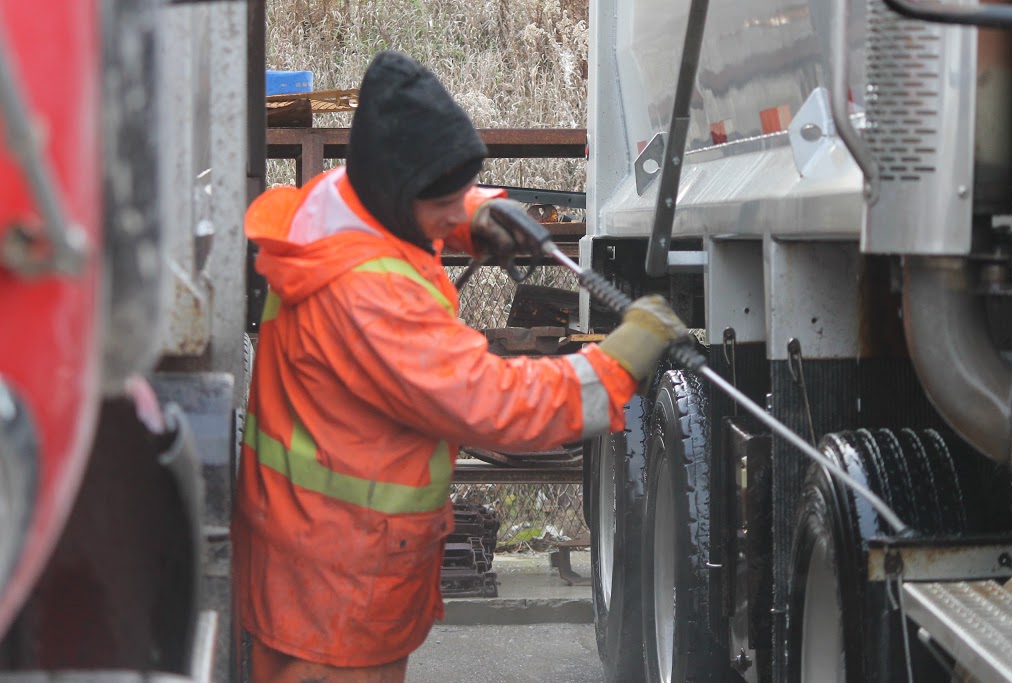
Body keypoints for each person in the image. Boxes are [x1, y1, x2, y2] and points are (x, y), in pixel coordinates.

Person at [231, 50, 690, 683]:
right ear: (398, 194)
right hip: (340, 589)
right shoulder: (372, 298)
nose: (454, 214)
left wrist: (478, 213)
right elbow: (497, 405)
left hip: (306, 559)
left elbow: (406, 213)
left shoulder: (335, 204)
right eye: (444, 203)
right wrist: (617, 365)